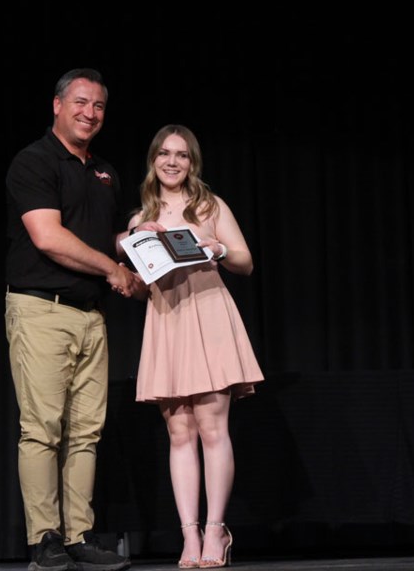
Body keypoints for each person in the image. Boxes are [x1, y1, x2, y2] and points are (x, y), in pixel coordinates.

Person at [4, 68, 141, 571]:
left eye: (99, 106)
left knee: (86, 432)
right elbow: (48, 237)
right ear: (57, 106)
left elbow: (111, 239)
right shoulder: (33, 162)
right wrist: (115, 270)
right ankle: (44, 540)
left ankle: (78, 536)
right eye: (81, 102)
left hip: (91, 317)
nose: (90, 113)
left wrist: (150, 251)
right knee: (42, 429)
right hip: (42, 310)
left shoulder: (105, 170)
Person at [125, 125, 264, 569]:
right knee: (179, 432)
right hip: (168, 321)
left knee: (211, 427)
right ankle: (189, 535)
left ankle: (216, 530)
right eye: (164, 154)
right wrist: (134, 262)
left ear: (192, 162)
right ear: (152, 160)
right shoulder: (139, 219)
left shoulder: (209, 205)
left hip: (208, 314)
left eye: (181, 155)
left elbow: (245, 262)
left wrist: (217, 247)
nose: (172, 162)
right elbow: (144, 290)